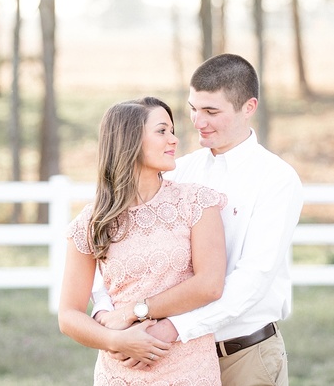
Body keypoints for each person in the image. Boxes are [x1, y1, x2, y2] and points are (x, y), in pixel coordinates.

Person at [93, 54, 304, 385]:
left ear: (248, 108)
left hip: (242, 355)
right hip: (174, 358)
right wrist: (108, 318)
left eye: (211, 111)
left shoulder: (276, 179)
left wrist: (171, 327)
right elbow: (114, 246)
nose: (197, 121)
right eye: (193, 108)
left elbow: (251, 280)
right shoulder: (182, 168)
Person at [58, 96, 228, 385]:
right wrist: (115, 340)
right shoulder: (92, 221)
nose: (173, 139)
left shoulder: (196, 202)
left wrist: (135, 310)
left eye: (172, 131)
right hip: (120, 374)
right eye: (162, 131)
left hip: (189, 369)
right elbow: (69, 315)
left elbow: (209, 285)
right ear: (129, 140)